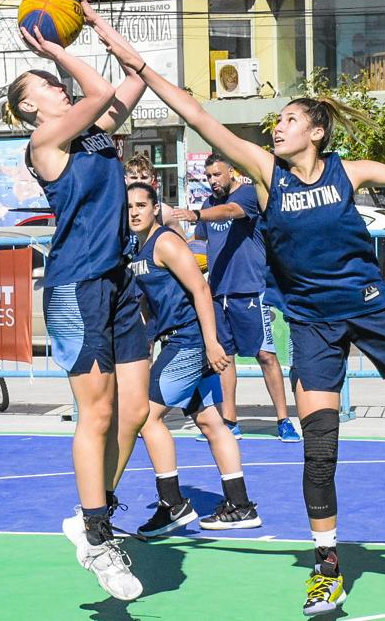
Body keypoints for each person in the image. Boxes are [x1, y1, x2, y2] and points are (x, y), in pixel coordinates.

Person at [91, 16, 385, 617]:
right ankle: (326, 569)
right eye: (279, 120)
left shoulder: (351, 172)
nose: (279, 125)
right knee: (319, 449)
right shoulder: (265, 176)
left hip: (372, 311)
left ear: (316, 132)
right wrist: (126, 54)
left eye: (291, 120)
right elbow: (195, 113)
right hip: (314, 327)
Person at [2, 0, 150, 602]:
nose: (59, 90)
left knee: (136, 411)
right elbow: (95, 93)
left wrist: (95, 22)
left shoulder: (95, 132)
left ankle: (94, 514)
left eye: (57, 81)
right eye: (47, 87)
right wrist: (61, 53)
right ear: (31, 108)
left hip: (116, 279)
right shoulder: (46, 146)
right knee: (97, 412)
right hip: (76, 285)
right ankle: (96, 536)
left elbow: (134, 76)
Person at [127, 183, 263, 537]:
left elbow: (201, 288)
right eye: (129, 206)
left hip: (188, 341)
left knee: (146, 416)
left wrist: (211, 342)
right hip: (180, 341)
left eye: (141, 204)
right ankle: (240, 504)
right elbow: (150, 305)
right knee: (210, 422)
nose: (135, 212)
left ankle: (172, 503)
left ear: (156, 208)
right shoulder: (139, 249)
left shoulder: (166, 242)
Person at [171, 153, 300, 443]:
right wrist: (172, 245)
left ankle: (284, 420)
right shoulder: (207, 204)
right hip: (218, 293)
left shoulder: (248, 195)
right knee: (223, 359)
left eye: (217, 175)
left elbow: (231, 212)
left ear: (231, 171)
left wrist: (196, 215)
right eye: (208, 177)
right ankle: (230, 421)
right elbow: (200, 245)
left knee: (266, 356)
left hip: (250, 290)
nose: (212, 181)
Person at [124, 153, 179, 228]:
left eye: (144, 178)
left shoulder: (165, 213)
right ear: (126, 179)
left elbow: (180, 239)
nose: (139, 182)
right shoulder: (116, 210)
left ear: (152, 179)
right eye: (134, 178)